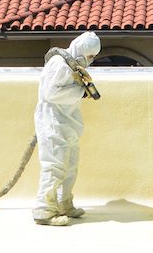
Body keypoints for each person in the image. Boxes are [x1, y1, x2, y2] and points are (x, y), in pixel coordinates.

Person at [33, 31, 101, 226]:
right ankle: (44, 210)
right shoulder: (59, 64)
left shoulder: (72, 65)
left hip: (67, 123)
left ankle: (64, 203)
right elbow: (51, 93)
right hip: (53, 123)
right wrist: (81, 91)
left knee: (70, 166)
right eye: (89, 55)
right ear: (81, 49)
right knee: (54, 166)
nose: (90, 60)